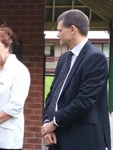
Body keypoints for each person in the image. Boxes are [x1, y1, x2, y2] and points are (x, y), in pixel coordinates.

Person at [41, 9, 111, 150]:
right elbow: (53, 93)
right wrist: (48, 122)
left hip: (82, 139)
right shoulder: (64, 58)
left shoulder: (95, 58)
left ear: (72, 29)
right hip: (57, 137)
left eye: (60, 30)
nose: (57, 34)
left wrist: (54, 122)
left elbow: (84, 101)